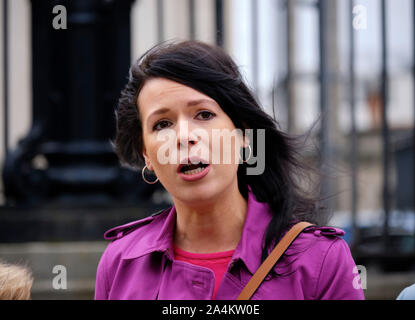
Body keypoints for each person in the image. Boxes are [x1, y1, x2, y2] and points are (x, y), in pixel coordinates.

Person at [94, 40, 365, 300]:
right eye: (162, 124)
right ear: (146, 155)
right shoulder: (120, 263)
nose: (184, 136)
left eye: (204, 114)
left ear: (244, 133)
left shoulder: (321, 261)